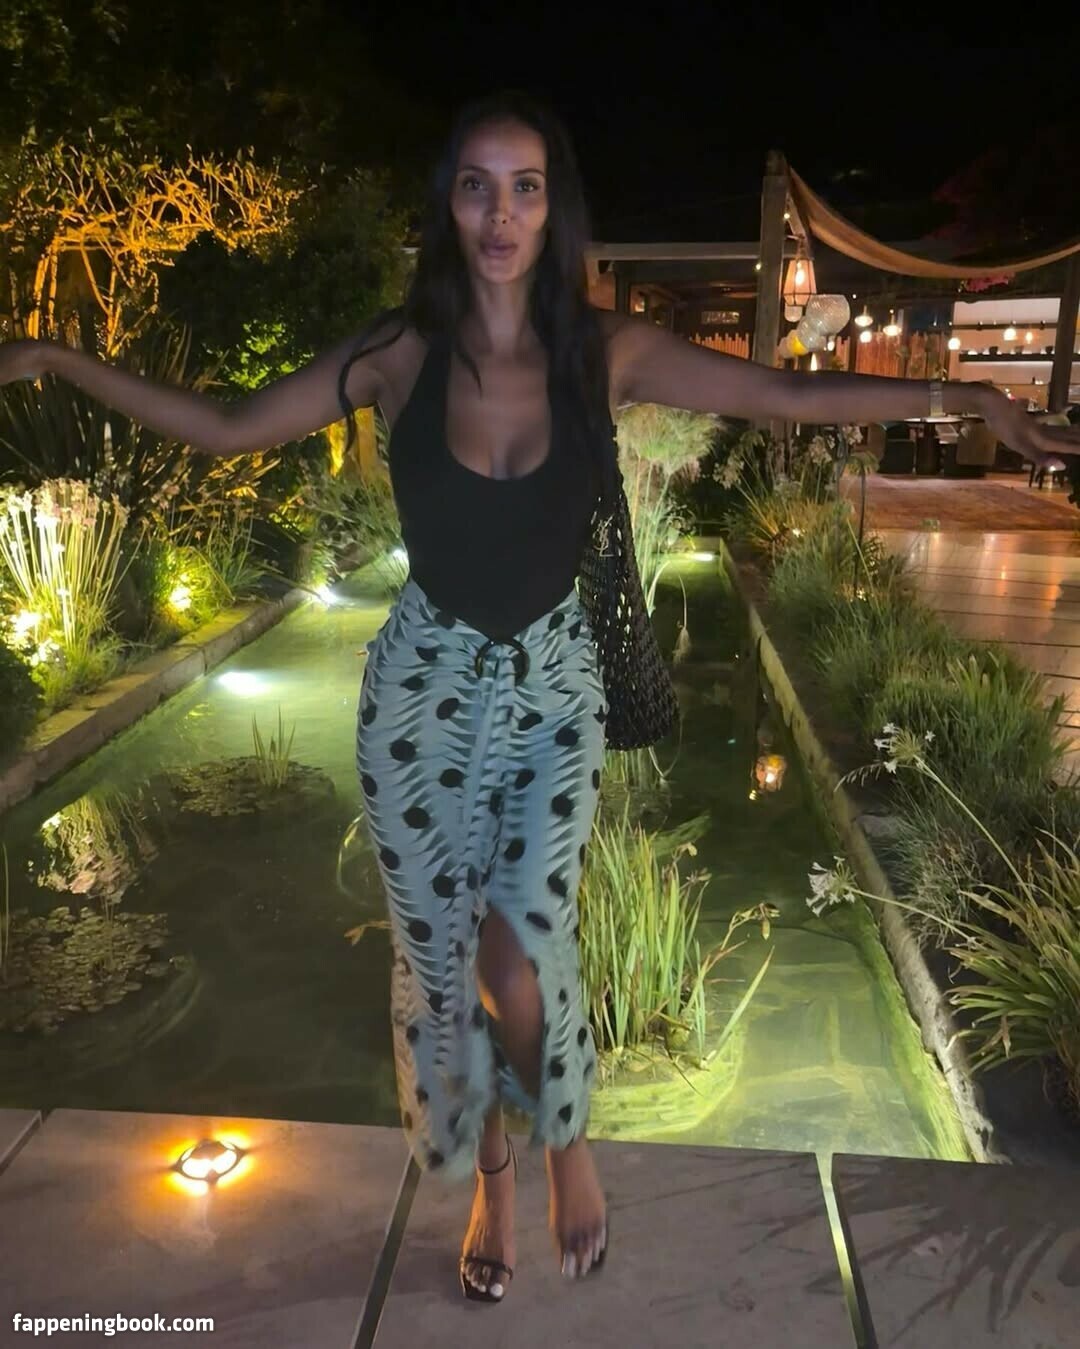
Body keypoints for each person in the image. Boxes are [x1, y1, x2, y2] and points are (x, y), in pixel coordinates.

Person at [2, 91, 1078, 1305]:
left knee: (518, 947)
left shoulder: (603, 349)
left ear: (554, 207)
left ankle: (568, 1141)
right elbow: (225, 426)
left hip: (554, 690)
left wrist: (964, 400)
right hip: (420, 695)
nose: (501, 212)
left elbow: (784, 396)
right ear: (449, 205)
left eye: (525, 186)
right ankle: (493, 1177)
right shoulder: (397, 353)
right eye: (477, 185)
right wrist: (53, 356)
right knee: (442, 969)